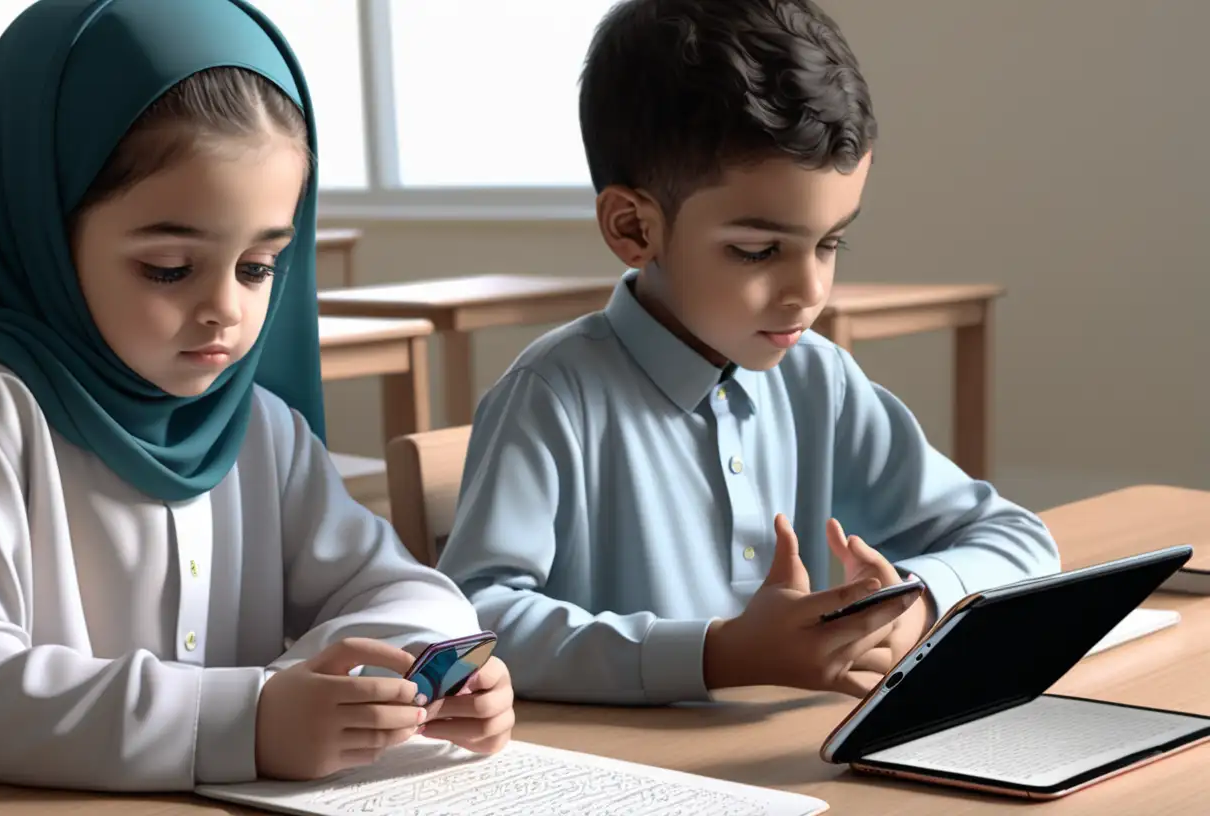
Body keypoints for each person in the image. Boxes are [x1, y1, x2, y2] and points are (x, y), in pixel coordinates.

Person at [0, 1, 513, 811]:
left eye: (261, 266)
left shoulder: (257, 426)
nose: (225, 310)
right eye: (169, 268)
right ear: (46, 233)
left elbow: (403, 589)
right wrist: (249, 718)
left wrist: (418, 670)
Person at [436, 0, 1059, 706]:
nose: (810, 290)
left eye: (830, 243)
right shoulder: (554, 396)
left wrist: (918, 604)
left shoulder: (817, 379)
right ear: (633, 227)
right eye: (758, 251)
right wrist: (715, 655)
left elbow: (1017, 538)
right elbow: (471, 626)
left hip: (792, 764)